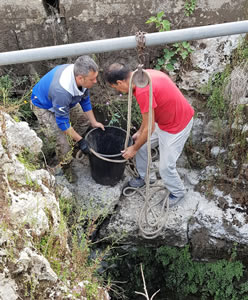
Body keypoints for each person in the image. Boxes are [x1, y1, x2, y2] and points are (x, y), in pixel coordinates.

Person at [104, 63, 194, 206]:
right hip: (164, 121)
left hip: (177, 126)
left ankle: (178, 192)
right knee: (141, 145)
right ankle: (147, 178)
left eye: (116, 88)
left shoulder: (142, 90)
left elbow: (150, 128)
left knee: (165, 167)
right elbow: (149, 117)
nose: (118, 91)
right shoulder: (142, 76)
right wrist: (140, 132)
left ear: (120, 82)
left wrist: (133, 149)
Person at [31, 55, 104, 163]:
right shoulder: (62, 92)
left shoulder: (80, 74)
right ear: (80, 78)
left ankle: (73, 142)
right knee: (62, 144)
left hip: (64, 101)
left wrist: (94, 122)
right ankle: (66, 168)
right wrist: (81, 140)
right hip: (43, 106)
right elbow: (63, 123)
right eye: (92, 79)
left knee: (84, 121)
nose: (95, 81)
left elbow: (85, 100)